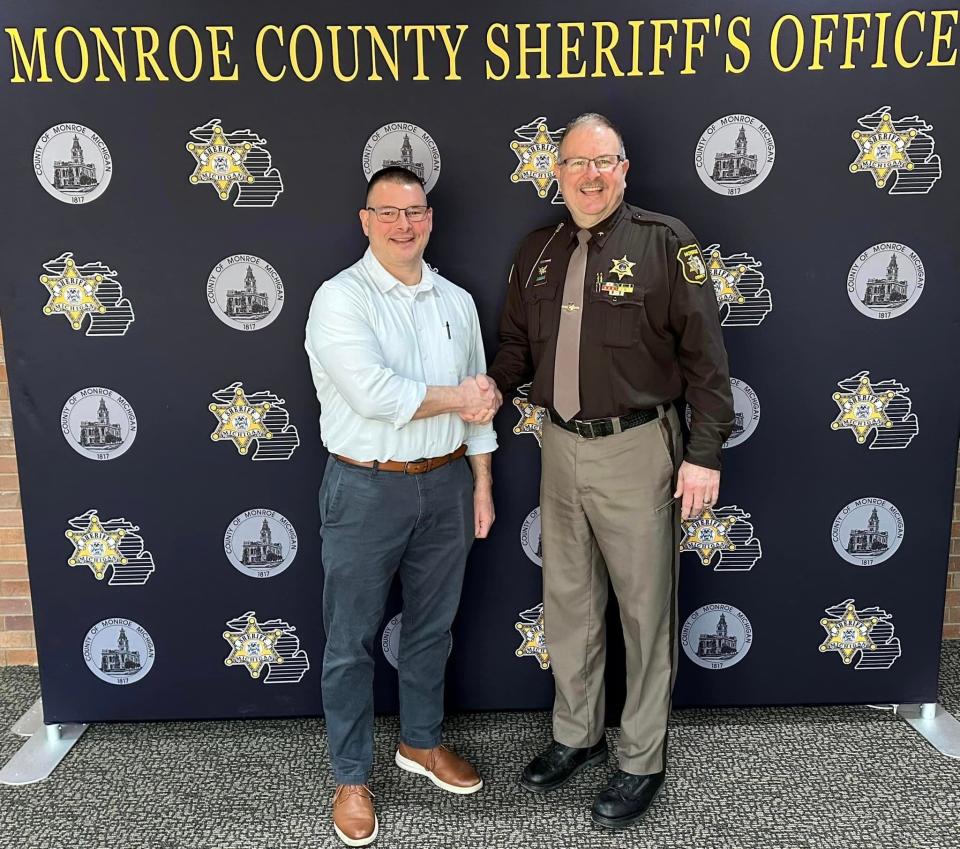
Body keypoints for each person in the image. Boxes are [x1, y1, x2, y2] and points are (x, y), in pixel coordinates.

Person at [486, 113, 734, 830]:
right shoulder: (537, 250)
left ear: (623, 170)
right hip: (559, 446)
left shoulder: (665, 242)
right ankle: (577, 732)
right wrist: (492, 388)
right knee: (568, 602)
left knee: (643, 608)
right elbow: (514, 347)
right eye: (575, 164)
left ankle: (640, 758)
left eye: (604, 163)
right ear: (556, 172)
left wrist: (704, 452)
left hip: (637, 447)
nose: (589, 177)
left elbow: (706, 362)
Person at [305, 166, 500, 847]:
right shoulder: (339, 299)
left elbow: (479, 405)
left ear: (430, 218)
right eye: (388, 212)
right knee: (351, 640)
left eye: (414, 210)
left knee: (432, 629)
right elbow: (375, 394)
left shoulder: (457, 300)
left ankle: (420, 743)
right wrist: (463, 398)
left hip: (447, 482)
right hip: (365, 487)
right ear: (365, 221)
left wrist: (481, 481)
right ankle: (351, 775)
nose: (403, 223)